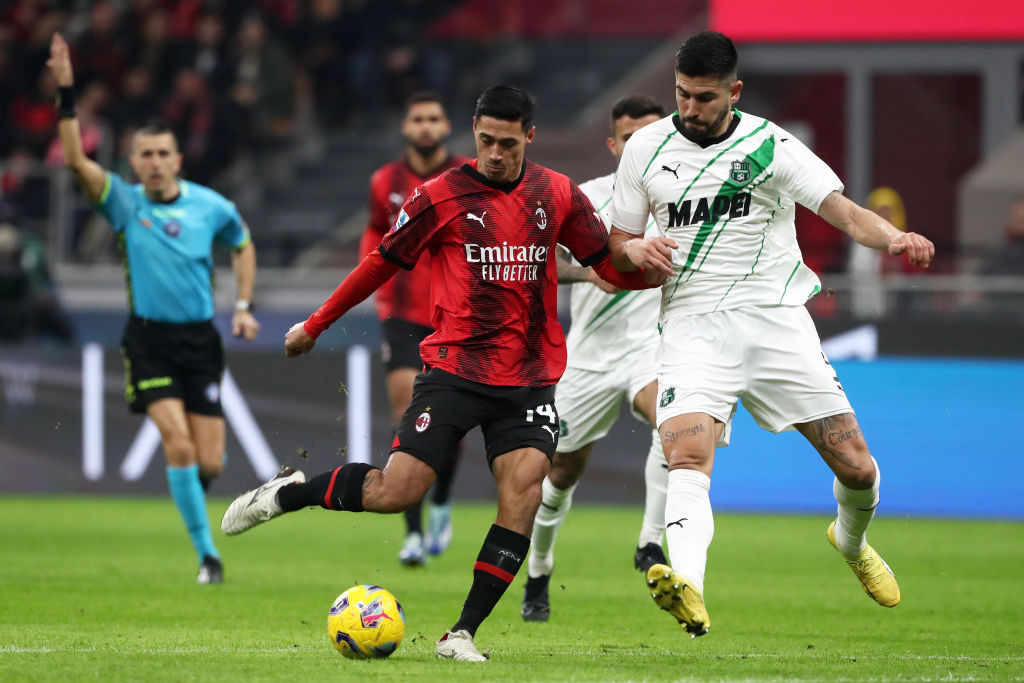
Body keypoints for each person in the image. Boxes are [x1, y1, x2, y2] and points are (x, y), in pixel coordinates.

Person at [221, 85, 664, 661]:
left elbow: (605, 261)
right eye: (486, 141)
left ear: (529, 137)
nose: (496, 153)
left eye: (508, 143)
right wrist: (316, 323)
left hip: (529, 376)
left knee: (524, 494)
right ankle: (293, 493)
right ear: (474, 133)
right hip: (455, 370)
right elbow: (381, 261)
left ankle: (461, 633)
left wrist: (646, 265)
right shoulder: (441, 196)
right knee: (394, 491)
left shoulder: (556, 193)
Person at [607, 31, 934, 637]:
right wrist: (634, 248)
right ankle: (691, 590)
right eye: (681, 95)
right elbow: (616, 245)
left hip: (777, 322)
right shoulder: (645, 150)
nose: (689, 109)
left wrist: (892, 238)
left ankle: (851, 540)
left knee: (858, 469)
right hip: (692, 329)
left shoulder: (771, 145)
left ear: (734, 92)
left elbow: (842, 210)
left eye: (704, 98)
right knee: (686, 456)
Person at [48, 33, 261, 585]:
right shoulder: (123, 201)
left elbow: (242, 244)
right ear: (134, 162)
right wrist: (67, 91)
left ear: (178, 158)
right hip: (148, 339)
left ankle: (189, 492)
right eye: (146, 154)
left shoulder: (211, 206)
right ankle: (207, 556)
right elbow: (74, 158)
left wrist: (243, 304)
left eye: (165, 153)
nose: (156, 162)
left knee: (209, 462)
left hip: (200, 340)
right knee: (180, 441)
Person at [521, 94, 689, 622]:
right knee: (563, 472)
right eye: (632, 137)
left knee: (677, 423)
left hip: (649, 349)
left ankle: (650, 545)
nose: (644, 145)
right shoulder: (587, 199)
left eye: (653, 134)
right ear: (615, 145)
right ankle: (539, 572)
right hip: (588, 359)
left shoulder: (686, 200)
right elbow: (545, 256)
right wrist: (595, 270)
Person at [359, 91, 470, 566]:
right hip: (403, 315)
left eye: (433, 118)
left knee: (452, 428)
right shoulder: (385, 181)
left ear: (445, 127)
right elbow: (373, 233)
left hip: (457, 316)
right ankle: (411, 532)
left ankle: (441, 501)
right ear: (406, 128)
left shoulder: (467, 176)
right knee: (407, 416)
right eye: (417, 119)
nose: (425, 126)